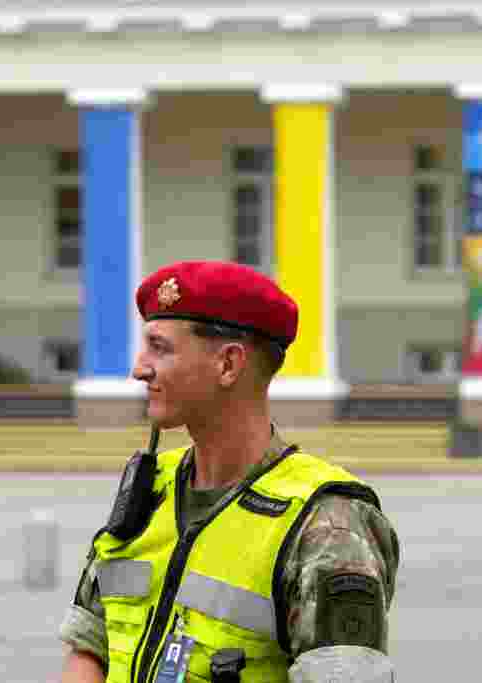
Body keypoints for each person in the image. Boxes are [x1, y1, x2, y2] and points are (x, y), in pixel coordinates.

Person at [58, 260, 400, 683]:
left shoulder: (328, 522)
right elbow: (90, 649)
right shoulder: (150, 489)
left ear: (228, 364)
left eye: (159, 348)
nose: (139, 368)